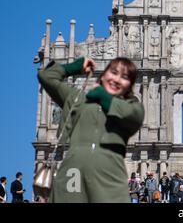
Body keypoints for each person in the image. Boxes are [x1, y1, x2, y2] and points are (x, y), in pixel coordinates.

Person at [37, 57, 145, 202]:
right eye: (113, 72)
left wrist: (101, 95)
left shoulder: (133, 107)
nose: (117, 79)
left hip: (109, 178)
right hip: (72, 175)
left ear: (130, 85)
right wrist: (74, 67)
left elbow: (131, 116)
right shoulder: (78, 98)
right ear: (104, 74)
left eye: (125, 77)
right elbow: (46, 76)